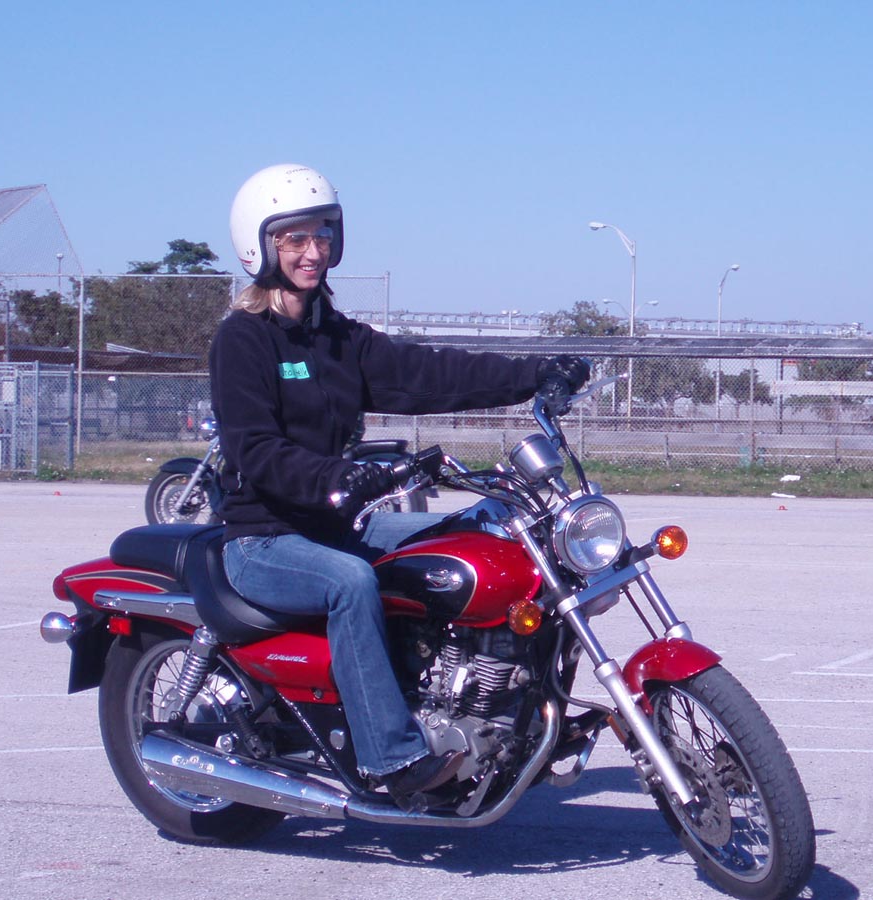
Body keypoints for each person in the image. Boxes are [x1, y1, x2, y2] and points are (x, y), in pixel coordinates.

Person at [209, 163, 589, 808]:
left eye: (322, 235)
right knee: (350, 582)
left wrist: (536, 372)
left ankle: (503, 710)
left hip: (337, 524)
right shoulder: (243, 340)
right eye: (295, 238)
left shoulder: (336, 338)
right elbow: (255, 448)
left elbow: (430, 373)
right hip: (264, 537)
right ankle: (390, 758)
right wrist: (339, 477)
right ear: (261, 245)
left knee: (488, 536)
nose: (312, 251)